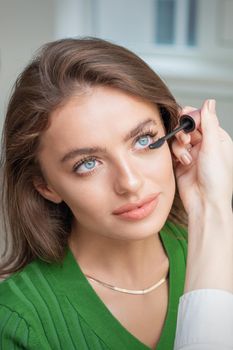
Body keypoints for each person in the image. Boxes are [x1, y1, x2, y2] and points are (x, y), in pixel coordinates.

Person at [0, 38, 232, 350]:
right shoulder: (17, 321)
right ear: (45, 185)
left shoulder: (220, 251)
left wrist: (211, 206)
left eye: (143, 140)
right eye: (88, 163)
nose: (130, 182)